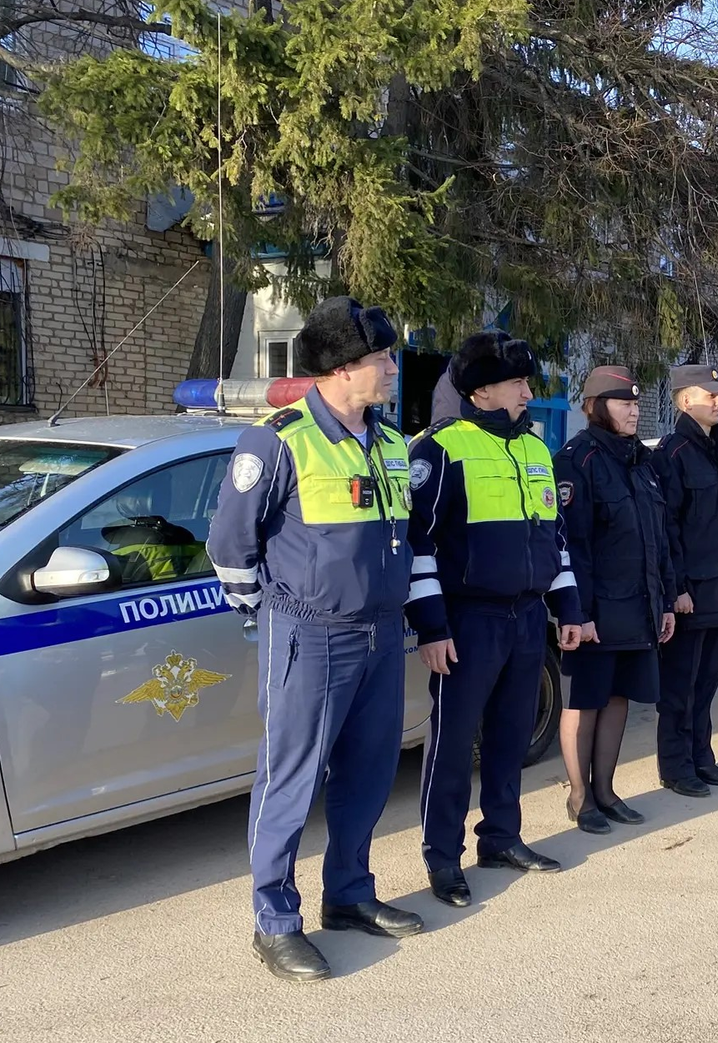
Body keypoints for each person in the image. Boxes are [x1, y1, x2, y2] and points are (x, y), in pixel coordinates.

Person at [208, 296, 422, 983]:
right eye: (380, 359)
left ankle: (350, 892)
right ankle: (274, 921)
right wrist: (271, 618)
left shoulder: (390, 441)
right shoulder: (278, 440)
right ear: (340, 369)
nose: (391, 369)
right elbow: (230, 545)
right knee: (290, 779)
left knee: (368, 771)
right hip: (310, 634)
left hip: (382, 635)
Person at [404, 330, 584, 907]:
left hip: (528, 619)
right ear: (481, 392)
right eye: (518, 383)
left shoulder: (535, 450)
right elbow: (419, 547)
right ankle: (442, 857)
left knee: (511, 738)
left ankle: (502, 837)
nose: (528, 393)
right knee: (454, 744)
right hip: (468, 621)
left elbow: (554, 540)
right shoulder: (439, 451)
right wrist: (432, 627)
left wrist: (569, 610)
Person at [555, 366, 677, 833]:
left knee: (619, 697)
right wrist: (579, 613)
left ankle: (605, 790)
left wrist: (664, 600)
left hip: (638, 605)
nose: (634, 410)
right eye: (624, 403)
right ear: (596, 407)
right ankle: (579, 796)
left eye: (636, 403)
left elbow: (657, 538)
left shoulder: (641, 462)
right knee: (585, 701)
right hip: (597, 609)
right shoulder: (577, 460)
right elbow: (573, 544)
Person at [651, 364, 718, 798]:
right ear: (684, 399)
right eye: (709, 394)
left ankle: (701, 757)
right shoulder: (672, 454)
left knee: (708, 681)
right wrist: (677, 590)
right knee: (681, 685)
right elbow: (666, 529)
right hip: (691, 593)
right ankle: (676, 766)